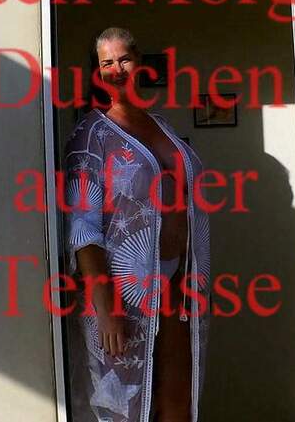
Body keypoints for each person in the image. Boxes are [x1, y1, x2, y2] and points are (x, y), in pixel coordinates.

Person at [63, 27, 210, 422]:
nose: (117, 70)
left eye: (124, 59)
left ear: (140, 64)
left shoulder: (161, 126)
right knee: (129, 406)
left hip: (178, 283)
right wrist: (106, 304)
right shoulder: (91, 135)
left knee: (177, 399)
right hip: (124, 293)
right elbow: (82, 226)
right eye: (106, 63)